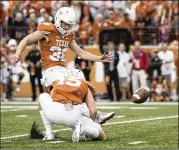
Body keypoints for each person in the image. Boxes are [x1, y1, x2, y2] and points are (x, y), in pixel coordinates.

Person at [37, 69, 110, 141]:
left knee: (43, 96)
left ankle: (49, 133)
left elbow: (51, 98)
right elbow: (93, 111)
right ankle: (84, 130)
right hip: (73, 115)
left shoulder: (57, 82)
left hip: (53, 113)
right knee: (102, 135)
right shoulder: (84, 85)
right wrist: (92, 121)